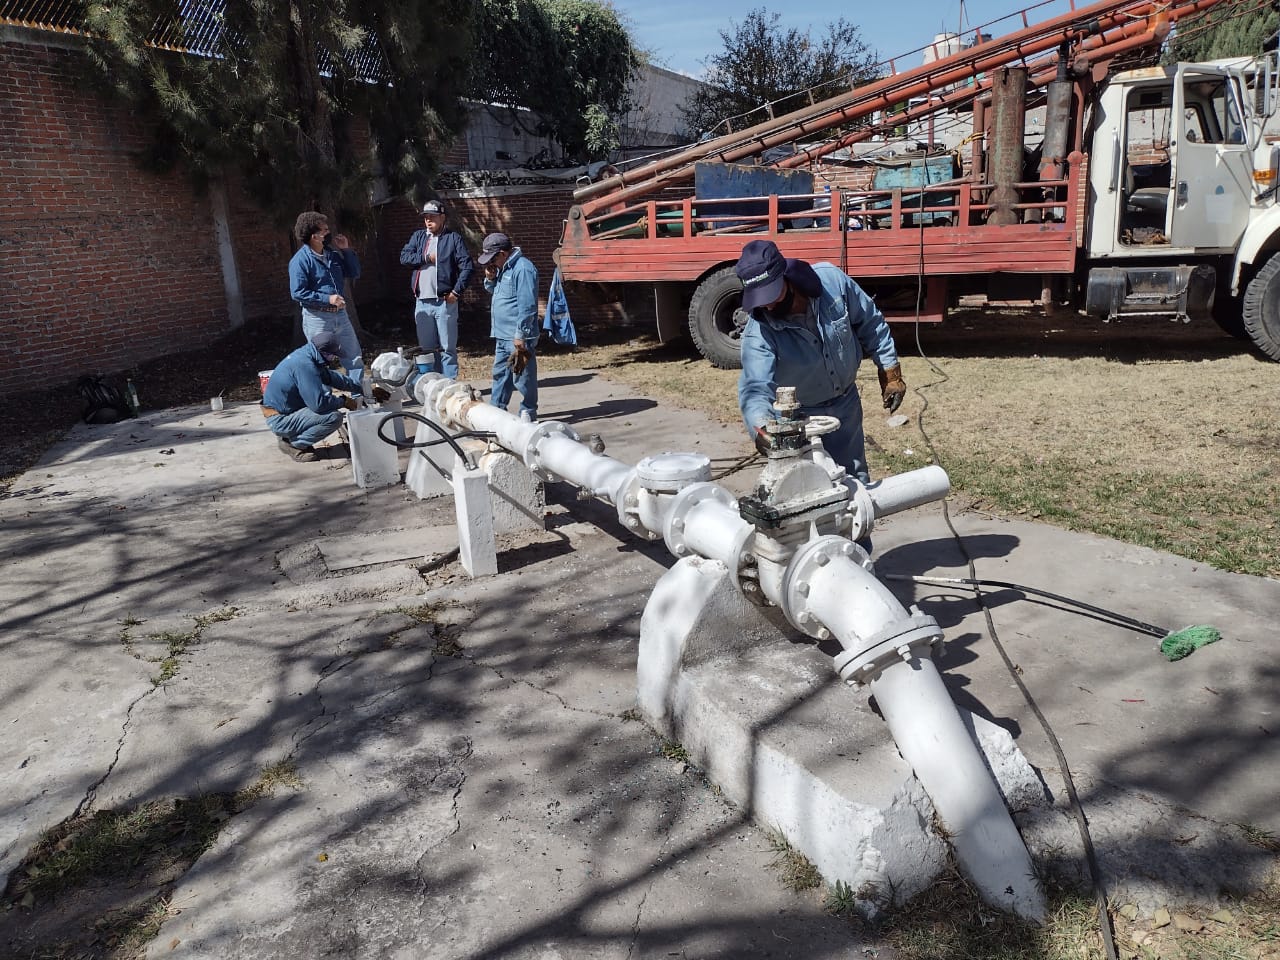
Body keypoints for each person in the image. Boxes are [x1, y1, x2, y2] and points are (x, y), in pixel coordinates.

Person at [735, 239, 906, 486]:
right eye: (760, 299)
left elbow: (871, 322)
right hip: (800, 419)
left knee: (856, 481)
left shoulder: (832, 283)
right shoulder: (758, 332)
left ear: (785, 277)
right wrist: (761, 429)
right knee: (809, 489)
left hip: (846, 403)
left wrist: (890, 371)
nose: (768, 304)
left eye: (771, 294)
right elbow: (755, 388)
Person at [261, 332, 387, 462]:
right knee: (333, 417)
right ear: (325, 353)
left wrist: (364, 388)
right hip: (280, 419)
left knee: (325, 404)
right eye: (334, 355)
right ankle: (293, 444)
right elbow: (318, 404)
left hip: (285, 411)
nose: (334, 359)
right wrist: (343, 401)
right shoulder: (305, 366)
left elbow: (333, 378)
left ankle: (291, 435)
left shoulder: (308, 355)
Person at [399, 199, 474, 379]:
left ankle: (449, 384)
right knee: (427, 349)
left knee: (447, 347)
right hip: (422, 302)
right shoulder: (418, 237)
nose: (428, 221)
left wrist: (456, 292)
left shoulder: (453, 238)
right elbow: (404, 257)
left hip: (444, 301)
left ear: (442, 217)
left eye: (432, 217)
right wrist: (426, 258)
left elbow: (467, 267)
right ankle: (432, 383)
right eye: (426, 217)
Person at [288, 210, 364, 380]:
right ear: (314, 236)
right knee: (319, 362)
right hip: (317, 318)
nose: (328, 233)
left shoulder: (332, 255)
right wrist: (327, 299)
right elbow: (298, 292)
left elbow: (354, 272)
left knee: (354, 357)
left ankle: (358, 396)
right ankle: (325, 401)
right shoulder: (300, 261)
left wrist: (346, 250)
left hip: (340, 315)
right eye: (324, 230)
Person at [477, 232, 539, 420]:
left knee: (522, 376)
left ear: (503, 253)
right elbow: (494, 291)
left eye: (492, 258)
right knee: (500, 374)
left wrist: (520, 334)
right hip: (502, 334)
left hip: (517, 335)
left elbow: (527, 305)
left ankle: (528, 411)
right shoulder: (503, 268)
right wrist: (490, 278)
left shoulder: (523, 269)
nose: (491, 262)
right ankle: (497, 410)